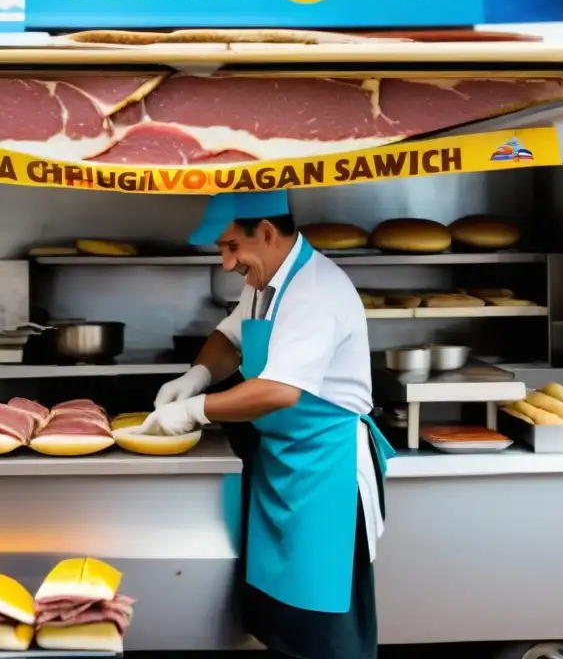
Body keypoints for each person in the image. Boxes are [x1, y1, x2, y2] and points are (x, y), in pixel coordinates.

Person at [138, 190, 394, 659]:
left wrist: (197, 410)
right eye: (221, 248)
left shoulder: (314, 291)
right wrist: (196, 375)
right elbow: (229, 338)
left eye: (231, 246)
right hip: (284, 461)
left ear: (269, 232)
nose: (226, 262)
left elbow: (279, 390)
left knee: (324, 627)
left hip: (325, 476)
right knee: (282, 621)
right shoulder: (264, 280)